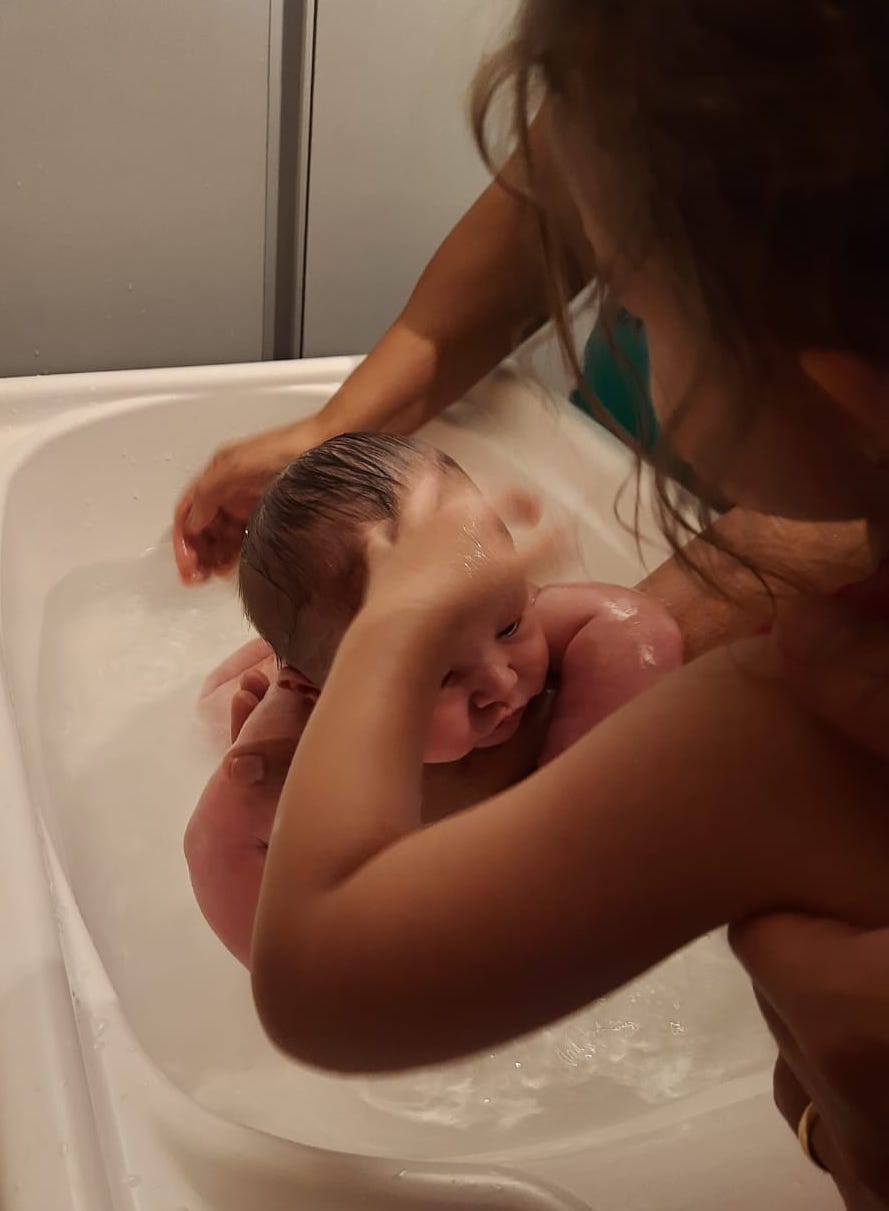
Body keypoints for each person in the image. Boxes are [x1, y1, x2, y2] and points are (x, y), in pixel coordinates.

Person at [172, 3, 888, 1205]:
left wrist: (401, 625)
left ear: (842, 387)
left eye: (635, 309)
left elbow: (323, 976)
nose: (618, 329)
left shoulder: (799, 715)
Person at [185, 434, 682, 966]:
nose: (500, 681)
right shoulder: (284, 755)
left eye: (510, 626)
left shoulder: (480, 603)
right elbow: (212, 847)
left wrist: (575, 777)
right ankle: (272, 659)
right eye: (441, 675)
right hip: (287, 694)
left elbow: (633, 624)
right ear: (321, 693)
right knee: (215, 707)